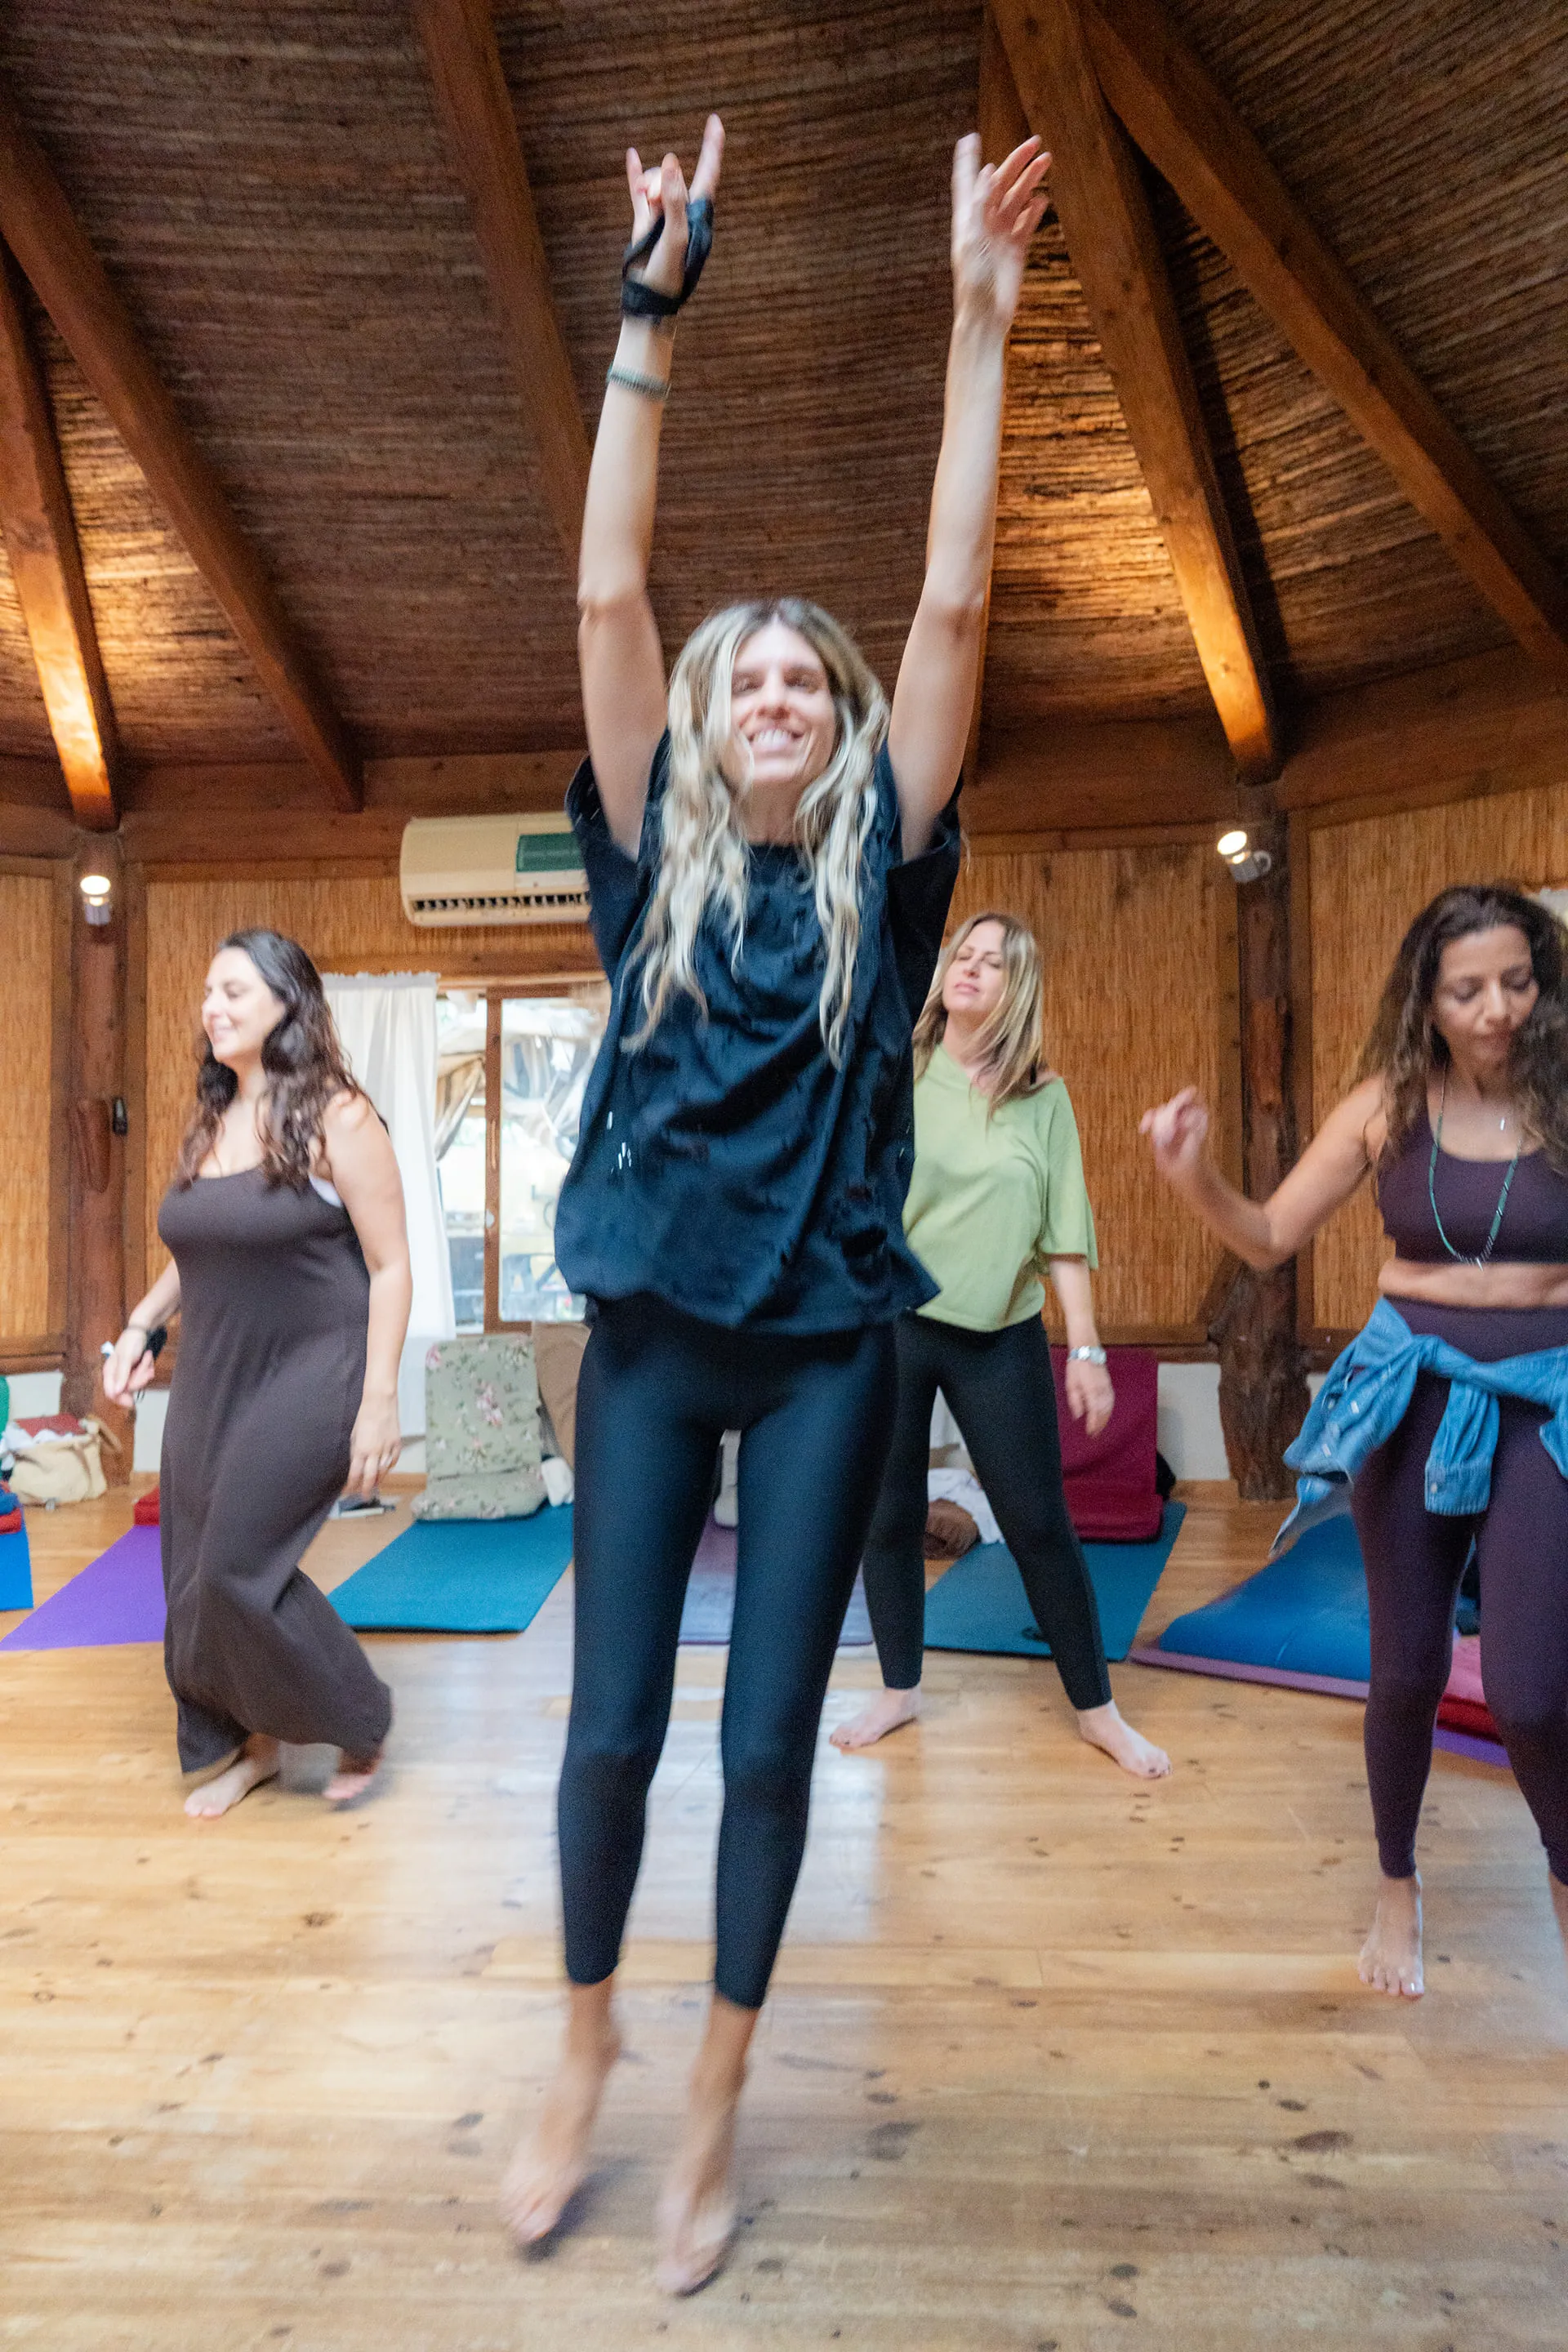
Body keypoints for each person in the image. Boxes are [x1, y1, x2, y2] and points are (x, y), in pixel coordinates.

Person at [497, 115, 1052, 2292]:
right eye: (748, 678)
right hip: (649, 1345)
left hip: (828, 1353)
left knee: (760, 1747)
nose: (776, 692)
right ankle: (584, 2043)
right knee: (612, 1725)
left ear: (841, 726)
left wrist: (980, 321)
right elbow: (604, 592)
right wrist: (650, 314)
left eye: (805, 678)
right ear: (705, 728)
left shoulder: (890, 884)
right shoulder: (649, 863)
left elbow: (955, 597)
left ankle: (719, 2089)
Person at [1141, 884, 1568, 1998]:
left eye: (1516, 982)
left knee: (1532, 1692)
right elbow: (1269, 1234)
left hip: (1546, 1402)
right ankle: (1396, 1886)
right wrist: (1194, 1177)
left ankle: (1564, 1875)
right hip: (1407, 1393)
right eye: (1467, 990)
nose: (1496, 1010)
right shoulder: (1388, 1106)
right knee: (1408, 1668)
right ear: (1426, 999)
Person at [831, 911, 1170, 1775]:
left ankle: (1098, 1712)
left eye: (993, 962)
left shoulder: (1042, 1097)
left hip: (999, 1335)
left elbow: (1066, 1233)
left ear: (1017, 990)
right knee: (887, 1515)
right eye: (964, 955)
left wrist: (1087, 1352)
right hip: (896, 1324)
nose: (971, 969)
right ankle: (899, 1689)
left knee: (1039, 1524)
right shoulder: (901, 1070)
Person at [103, 929, 410, 1819]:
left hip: (317, 1366)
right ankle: (257, 1746)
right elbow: (198, 1250)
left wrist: (379, 1400)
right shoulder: (213, 1118)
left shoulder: (338, 1116)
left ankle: (359, 1714)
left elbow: (392, 1265)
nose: (213, 1007)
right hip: (215, 1372)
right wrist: (139, 1327)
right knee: (190, 1576)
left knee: (235, 1569)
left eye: (234, 990)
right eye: (208, 992)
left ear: (288, 1002)